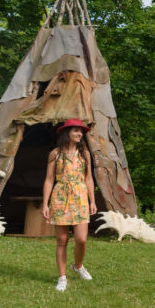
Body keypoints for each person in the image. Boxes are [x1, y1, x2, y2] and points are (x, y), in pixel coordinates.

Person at [42, 118, 97, 291]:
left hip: (80, 197)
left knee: (81, 239)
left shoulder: (84, 154)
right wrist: (45, 203)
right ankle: (62, 277)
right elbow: (49, 180)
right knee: (62, 239)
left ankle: (78, 266)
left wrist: (92, 200)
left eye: (81, 131)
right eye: (76, 130)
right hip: (60, 197)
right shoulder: (55, 154)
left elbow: (88, 178)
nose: (80, 134)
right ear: (67, 133)